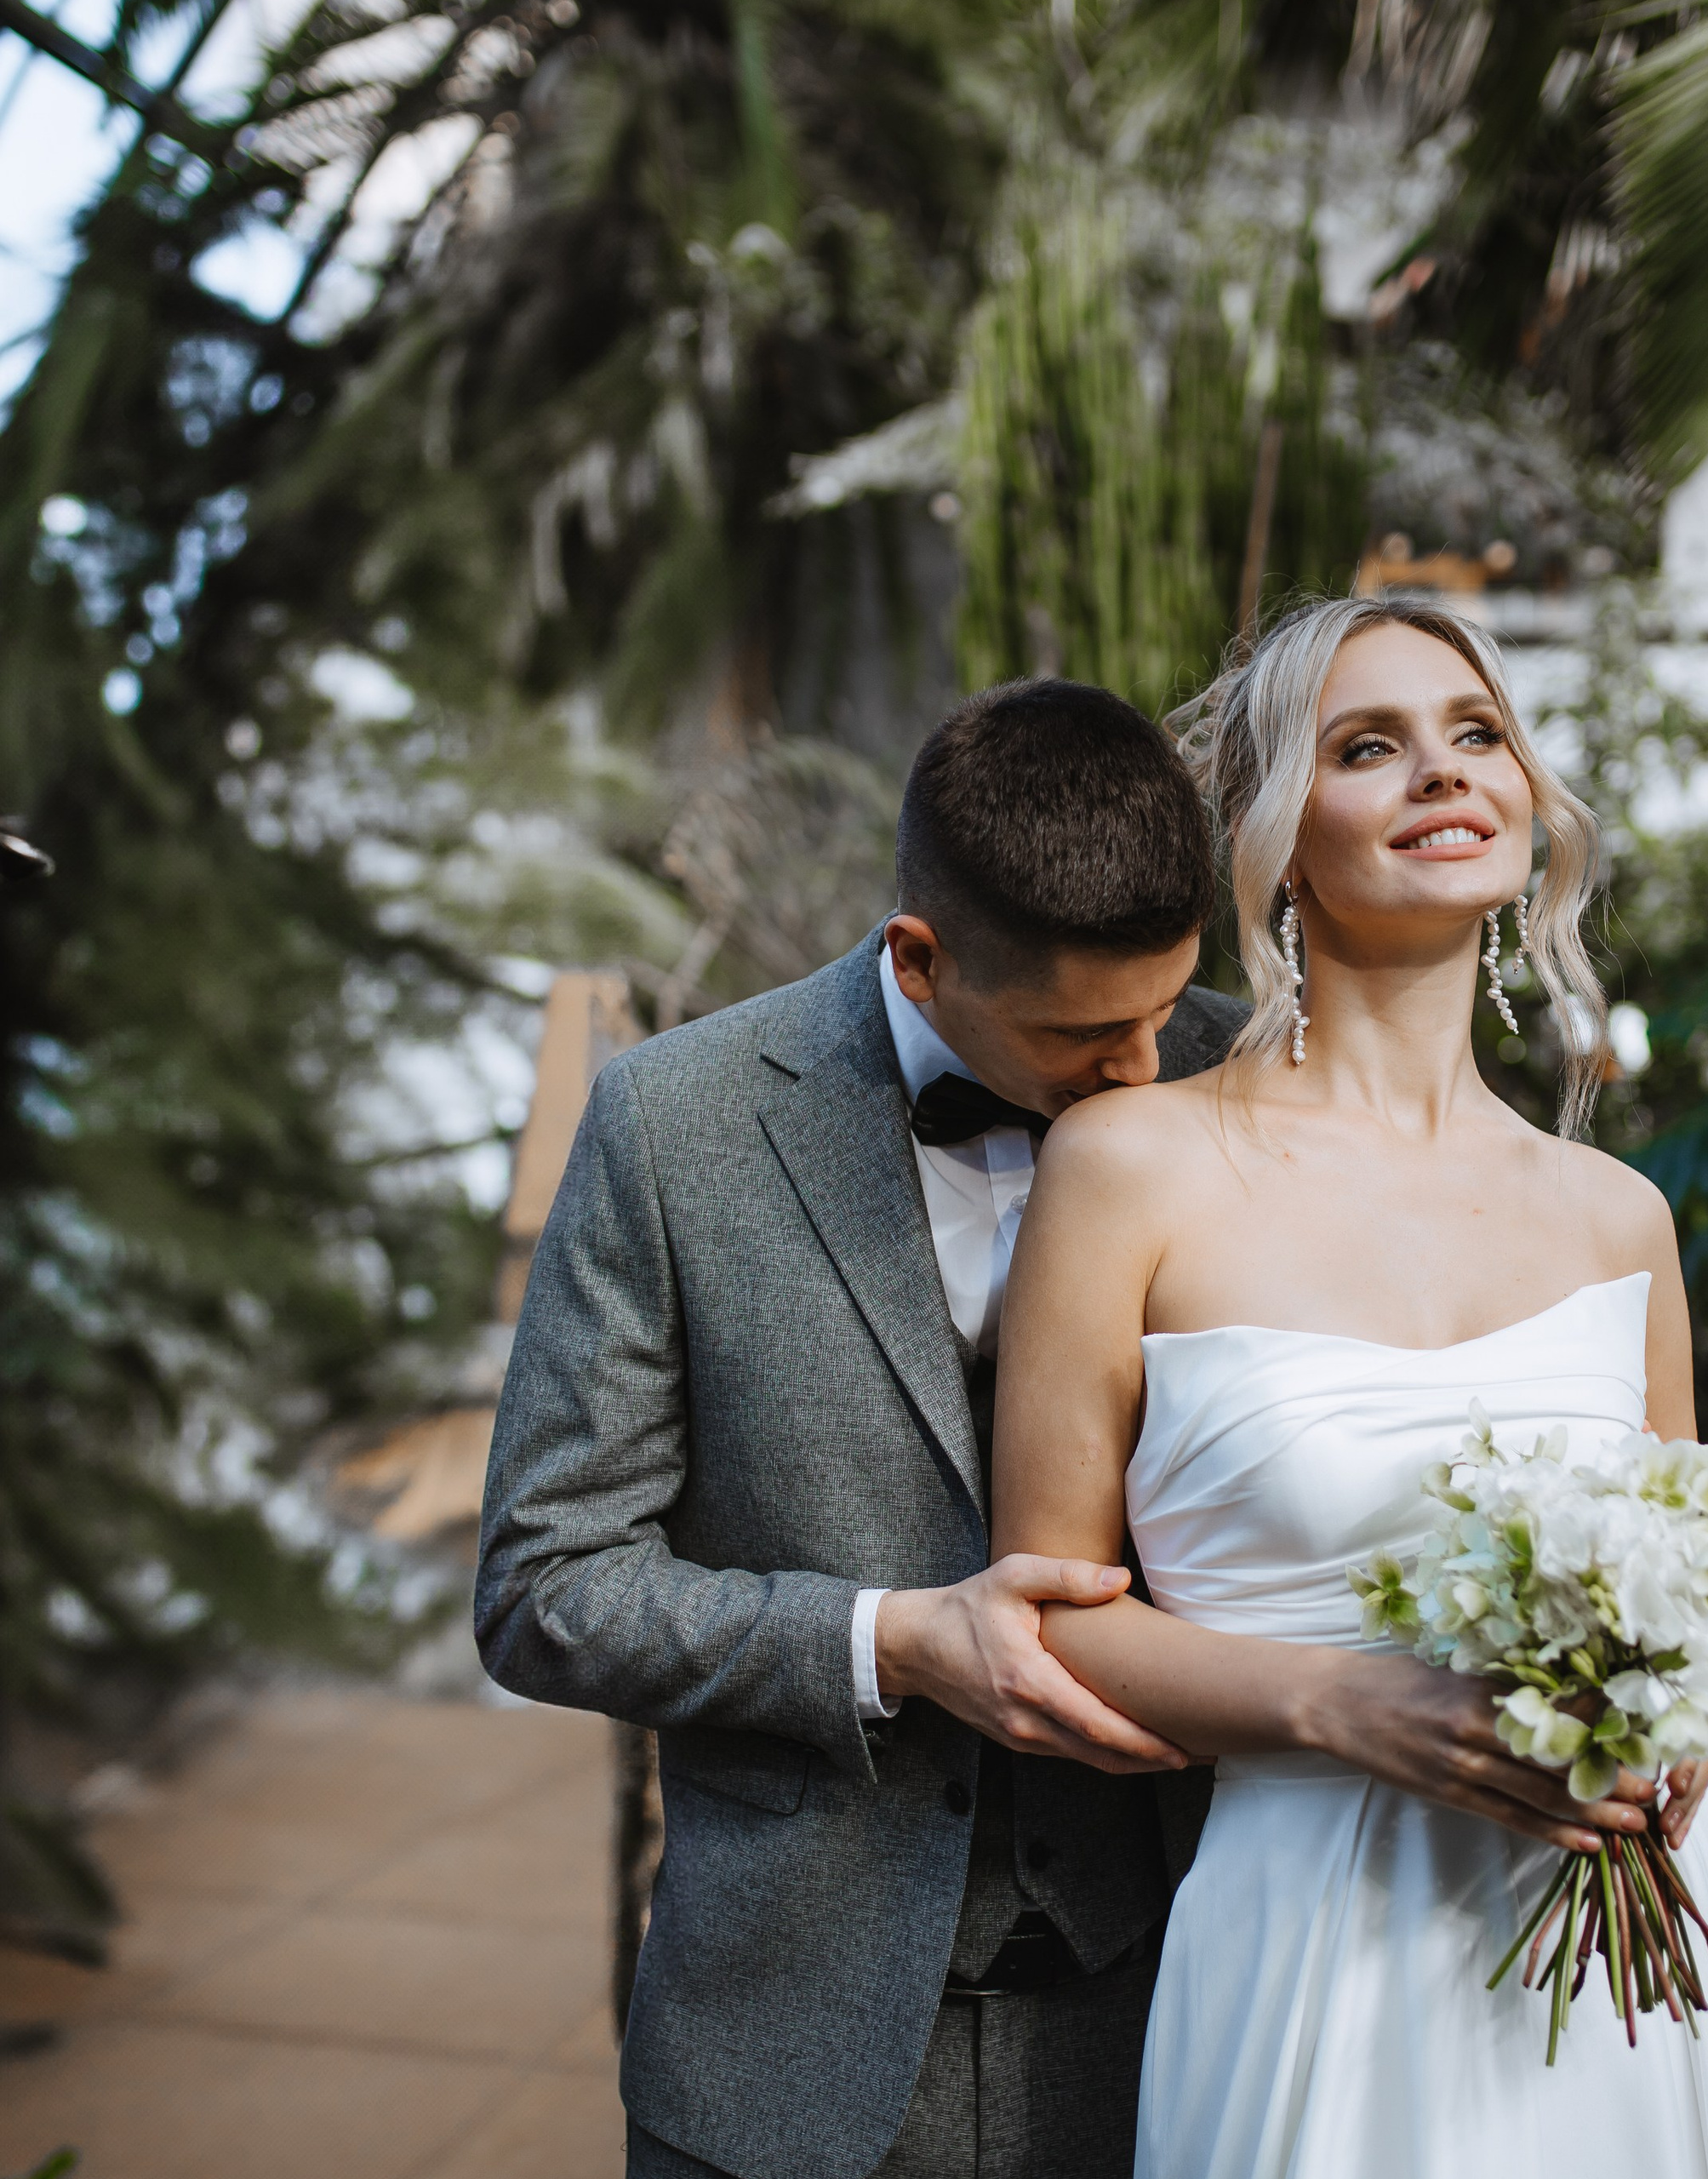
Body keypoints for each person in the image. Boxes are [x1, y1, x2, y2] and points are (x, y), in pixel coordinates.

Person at [993, 596, 1708, 2176]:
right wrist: (1345, 1705)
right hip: (1323, 1939)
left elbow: (1704, 1591)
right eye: (1369, 748)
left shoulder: (1616, 1214)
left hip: (1655, 1964)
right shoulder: (1131, 1166)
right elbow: (1048, 1610)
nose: (1446, 776)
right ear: (1277, 841)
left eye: (1479, 735)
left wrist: (1686, 1716)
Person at [475, 678, 1250, 2179]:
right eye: (1086, 1034)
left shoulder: (1249, 1084)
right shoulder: (670, 1126)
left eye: (1164, 1006)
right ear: (920, 957)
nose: (1146, 1071)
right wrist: (889, 1641)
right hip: (783, 2048)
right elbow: (542, 1590)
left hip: (1178, 2009)